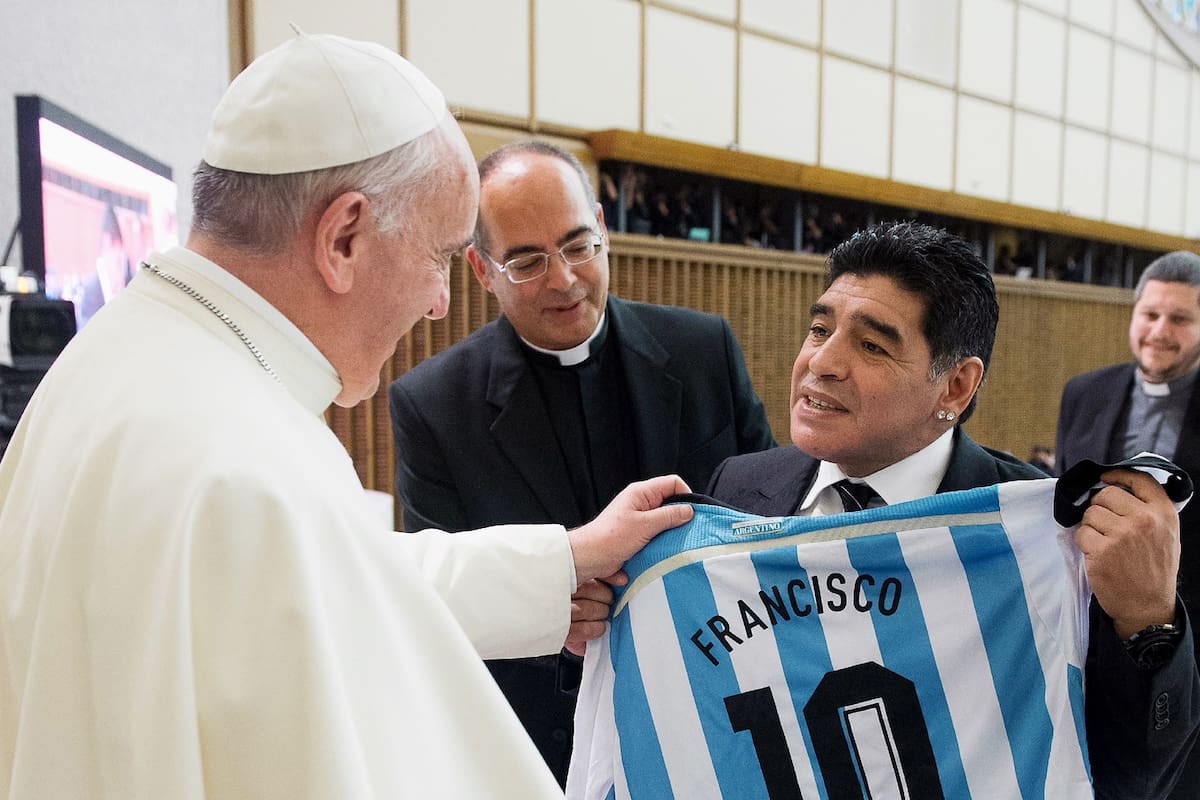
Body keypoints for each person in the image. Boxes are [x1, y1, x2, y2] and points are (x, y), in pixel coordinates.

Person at [0, 33, 696, 799]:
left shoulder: (123, 357)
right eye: (438, 257)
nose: (439, 304)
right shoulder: (246, 464)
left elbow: (340, 577)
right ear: (342, 238)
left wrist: (559, 563)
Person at [707, 221, 1200, 799]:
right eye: (819, 329)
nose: (822, 362)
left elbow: (1128, 772)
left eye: (871, 345)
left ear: (956, 388)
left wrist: (1148, 622)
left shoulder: (1043, 537)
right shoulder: (736, 488)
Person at [387, 140, 775, 784]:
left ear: (602, 226)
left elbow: (766, 513)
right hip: (542, 747)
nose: (564, 279)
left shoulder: (703, 349)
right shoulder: (433, 406)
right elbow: (439, 611)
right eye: (528, 261)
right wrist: (543, 612)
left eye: (577, 245)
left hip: (719, 713)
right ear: (482, 271)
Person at [1057, 249, 1200, 798]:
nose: (1160, 331)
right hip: (1084, 637)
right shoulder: (1084, 391)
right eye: (1150, 314)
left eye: (1181, 319)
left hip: (1183, 649)